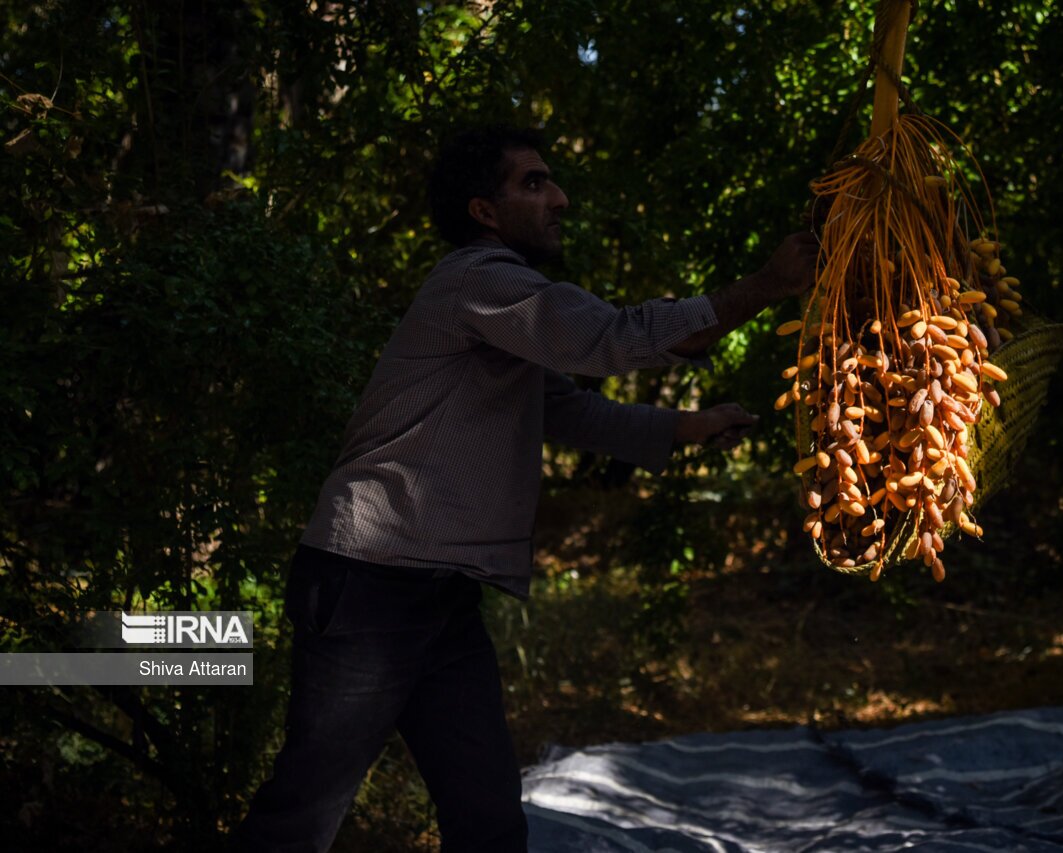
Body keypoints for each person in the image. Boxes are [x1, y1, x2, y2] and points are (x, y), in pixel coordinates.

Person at [231, 126, 818, 852]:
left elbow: (565, 406)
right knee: (303, 813)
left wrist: (685, 428)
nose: (560, 197)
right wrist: (762, 287)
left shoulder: (501, 310)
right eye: (534, 183)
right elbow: (605, 338)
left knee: (488, 819)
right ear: (485, 211)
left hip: (440, 596)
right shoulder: (477, 277)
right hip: (371, 586)